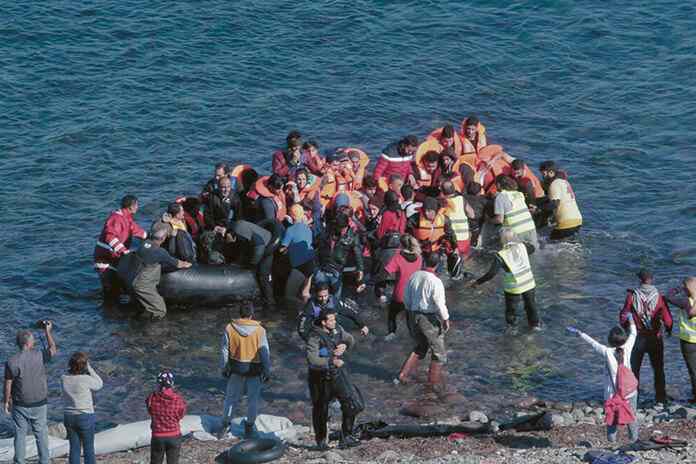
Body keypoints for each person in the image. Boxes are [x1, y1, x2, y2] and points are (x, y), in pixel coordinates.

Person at [567, 320, 638, 443]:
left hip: (612, 395)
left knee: (611, 421)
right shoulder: (628, 347)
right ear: (624, 339)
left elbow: (593, 343)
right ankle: (634, 440)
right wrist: (631, 320)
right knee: (631, 417)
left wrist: (579, 333)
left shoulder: (606, 351)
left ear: (609, 341)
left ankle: (612, 443)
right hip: (630, 392)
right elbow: (634, 333)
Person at [306, 307, 362, 450]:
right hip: (319, 379)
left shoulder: (337, 329)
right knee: (320, 410)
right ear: (324, 322)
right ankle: (321, 441)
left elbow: (351, 339)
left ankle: (346, 437)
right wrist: (331, 361)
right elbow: (312, 360)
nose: (334, 321)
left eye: (334, 319)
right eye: (331, 319)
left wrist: (345, 345)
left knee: (353, 403)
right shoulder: (314, 336)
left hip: (337, 375)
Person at [4, 322, 58, 464]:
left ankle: (20, 461)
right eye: (33, 339)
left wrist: (6, 401)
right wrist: (47, 331)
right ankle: (44, 461)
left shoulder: (11, 361)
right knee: (41, 433)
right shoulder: (40, 355)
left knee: (20, 435)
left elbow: (8, 383)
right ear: (28, 343)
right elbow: (53, 349)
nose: (34, 340)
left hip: (20, 403)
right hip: (40, 402)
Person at [619, 269, 673, 404]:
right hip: (655, 338)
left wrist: (627, 327)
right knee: (658, 369)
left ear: (640, 280)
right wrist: (668, 330)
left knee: (635, 368)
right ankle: (661, 398)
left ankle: (633, 399)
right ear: (651, 279)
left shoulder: (632, 296)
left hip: (638, 338)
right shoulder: (659, 297)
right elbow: (668, 321)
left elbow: (623, 316)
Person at [398, 253, 451, 388]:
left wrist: (409, 313)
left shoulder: (414, 276)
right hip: (427, 318)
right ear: (437, 265)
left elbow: (406, 298)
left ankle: (403, 375)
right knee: (439, 352)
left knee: (421, 346)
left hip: (412, 315)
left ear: (424, 262)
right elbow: (439, 303)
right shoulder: (435, 281)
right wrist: (446, 319)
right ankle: (432, 384)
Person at [471, 228, 540, 332]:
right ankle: (535, 326)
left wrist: (477, 282)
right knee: (531, 306)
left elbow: (491, 274)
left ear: (501, 240)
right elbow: (533, 248)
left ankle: (512, 329)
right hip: (529, 283)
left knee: (511, 310)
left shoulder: (500, 255)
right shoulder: (523, 247)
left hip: (513, 287)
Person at [219, 305, 272, 439]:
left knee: (230, 399)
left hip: (236, 369)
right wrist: (267, 371)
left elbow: (224, 350)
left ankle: (225, 425)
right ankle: (249, 427)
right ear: (251, 314)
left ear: (240, 313)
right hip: (254, 370)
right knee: (252, 401)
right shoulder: (260, 330)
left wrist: (224, 367)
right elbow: (264, 353)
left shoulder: (229, 328)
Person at [123, 227, 192, 320]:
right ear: (163, 239)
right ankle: (152, 332)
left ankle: (137, 325)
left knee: (146, 307)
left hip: (130, 280)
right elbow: (178, 264)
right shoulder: (160, 252)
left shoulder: (144, 244)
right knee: (160, 310)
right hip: (142, 285)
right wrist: (188, 264)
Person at [93, 195, 147, 302]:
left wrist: (150, 237)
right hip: (105, 261)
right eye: (136, 205)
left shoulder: (127, 219)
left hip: (115, 260)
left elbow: (137, 231)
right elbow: (110, 237)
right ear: (131, 207)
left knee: (116, 288)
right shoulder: (116, 219)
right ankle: (109, 312)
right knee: (110, 291)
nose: (137, 207)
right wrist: (124, 251)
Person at [61, 352, 103, 464]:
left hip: (69, 417)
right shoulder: (85, 379)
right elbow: (99, 384)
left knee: (74, 448)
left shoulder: (64, 378)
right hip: (85, 416)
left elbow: (70, 373)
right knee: (88, 449)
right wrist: (90, 368)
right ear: (84, 366)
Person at [227, 220, 277, 308]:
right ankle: (261, 298)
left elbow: (259, 245)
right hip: (260, 246)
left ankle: (270, 301)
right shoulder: (238, 229)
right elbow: (245, 248)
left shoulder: (239, 230)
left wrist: (253, 264)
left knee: (263, 275)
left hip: (267, 246)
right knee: (257, 273)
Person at [314, 212, 364, 300]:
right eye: (340, 228)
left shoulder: (352, 236)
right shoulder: (328, 230)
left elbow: (358, 253)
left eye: (344, 228)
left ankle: (334, 310)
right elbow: (317, 243)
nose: (342, 231)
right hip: (323, 266)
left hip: (337, 268)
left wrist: (360, 269)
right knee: (319, 295)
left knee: (335, 297)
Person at [298, 282, 369, 342]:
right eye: (320, 296)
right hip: (318, 331)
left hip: (333, 327)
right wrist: (311, 341)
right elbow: (302, 328)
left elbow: (350, 312)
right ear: (315, 294)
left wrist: (362, 325)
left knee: (349, 340)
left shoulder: (334, 301)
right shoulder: (310, 307)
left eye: (325, 296)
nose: (323, 299)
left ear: (328, 294)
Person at [383, 235, 423, 341]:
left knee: (392, 313)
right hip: (414, 295)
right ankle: (415, 339)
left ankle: (392, 333)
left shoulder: (398, 257)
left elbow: (386, 272)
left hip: (400, 294)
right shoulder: (419, 257)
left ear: (401, 245)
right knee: (411, 319)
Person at [665, 277, 696, 403]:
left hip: (688, 342)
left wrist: (678, 288)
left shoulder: (685, 302)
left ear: (686, 289)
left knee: (693, 370)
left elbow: (668, 296)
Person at [279, 205, 316, 310]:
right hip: (311, 264)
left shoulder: (290, 230)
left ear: (292, 216)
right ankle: (310, 312)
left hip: (300, 267)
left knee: (289, 296)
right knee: (305, 293)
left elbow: (282, 249)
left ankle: (302, 312)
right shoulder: (308, 229)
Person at [146, 371, 187, 464]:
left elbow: (150, 411)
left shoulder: (151, 398)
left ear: (158, 384)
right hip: (174, 435)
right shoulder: (178, 400)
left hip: (157, 436)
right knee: (173, 461)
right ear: (172, 384)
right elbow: (181, 415)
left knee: (155, 461)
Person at [492, 175, 539, 250]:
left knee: (517, 255)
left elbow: (499, 220)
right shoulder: (519, 194)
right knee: (535, 253)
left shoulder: (500, 197)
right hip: (530, 227)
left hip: (516, 231)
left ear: (498, 185)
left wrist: (489, 220)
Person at [539, 161, 582, 240]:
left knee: (548, 242)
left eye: (544, 174)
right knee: (568, 243)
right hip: (577, 220)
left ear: (551, 172)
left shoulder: (554, 184)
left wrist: (539, 208)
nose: (542, 177)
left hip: (566, 223)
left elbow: (555, 204)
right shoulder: (564, 182)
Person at [407, 196, 457, 262]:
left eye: (429, 211)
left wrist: (455, 247)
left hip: (437, 251)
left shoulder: (444, 219)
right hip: (420, 252)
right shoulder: (415, 219)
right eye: (425, 210)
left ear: (435, 210)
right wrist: (415, 246)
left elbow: (451, 234)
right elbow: (407, 235)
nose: (426, 213)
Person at [440, 181, 475, 257]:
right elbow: (472, 214)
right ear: (454, 189)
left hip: (452, 241)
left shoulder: (443, 203)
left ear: (442, 192)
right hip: (464, 238)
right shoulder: (461, 199)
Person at [462, 181, 487, 248]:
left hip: (465, 227)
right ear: (479, 192)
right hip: (477, 227)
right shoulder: (483, 200)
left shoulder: (462, 198)